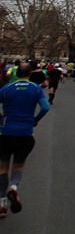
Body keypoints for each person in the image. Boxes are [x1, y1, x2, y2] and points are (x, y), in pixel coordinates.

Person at [0, 62, 50, 216]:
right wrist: (35, 119)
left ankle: (2, 204)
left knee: (3, 168)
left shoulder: (6, 88)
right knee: (18, 167)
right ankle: (13, 187)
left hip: (6, 132)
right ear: (30, 74)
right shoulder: (35, 88)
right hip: (26, 133)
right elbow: (45, 107)